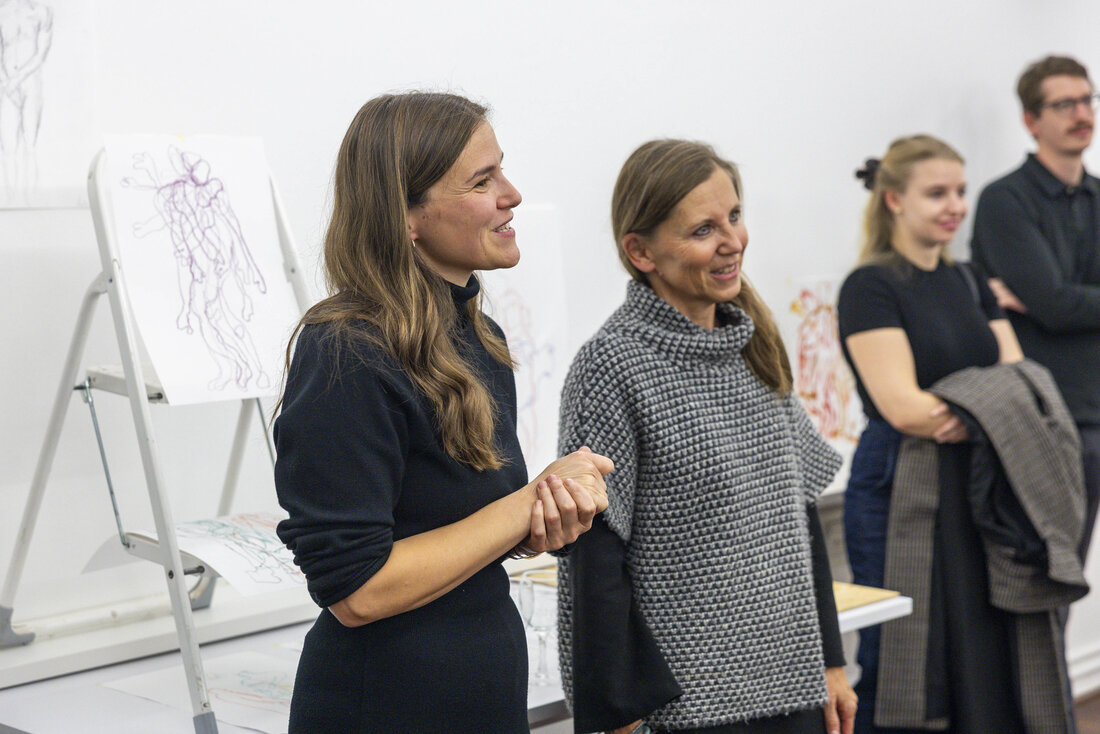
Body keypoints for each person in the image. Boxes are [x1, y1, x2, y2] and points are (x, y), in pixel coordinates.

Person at [273, 91, 613, 733]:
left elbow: (462, 526)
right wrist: (525, 504)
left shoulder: (478, 338)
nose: (511, 195)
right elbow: (357, 590)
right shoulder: (346, 350)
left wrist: (547, 514)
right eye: (482, 182)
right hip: (388, 705)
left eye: (502, 171)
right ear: (406, 217)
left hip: (480, 690)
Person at [557, 139, 858, 734]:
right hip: (686, 703)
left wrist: (830, 661)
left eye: (735, 217)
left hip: (792, 684)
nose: (733, 241)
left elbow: (799, 516)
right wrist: (615, 712)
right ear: (640, 251)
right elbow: (596, 554)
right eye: (703, 230)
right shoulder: (611, 367)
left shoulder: (754, 345)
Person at [838, 135, 1037, 732]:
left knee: (971, 648)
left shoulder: (971, 279)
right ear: (894, 199)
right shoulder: (870, 287)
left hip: (975, 482)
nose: (955, 206)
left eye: (960, 191)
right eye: (937, 193)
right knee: (901, 660)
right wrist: (987, 410)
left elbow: (1019, 380)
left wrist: (973, 409)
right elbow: (904, 409)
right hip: (898, 483)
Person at [971, 54, 1100, 562]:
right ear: (1031, 120)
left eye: (1087, 100)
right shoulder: (1004, 201)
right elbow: (1054, 306)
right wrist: (1051, 301)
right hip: (1046, 415)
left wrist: (1055, 299)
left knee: (1074, 571)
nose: (1081, 113)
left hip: (1095, 407)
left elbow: (1056, 301)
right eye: (1064, 104)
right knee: (1045, 573)